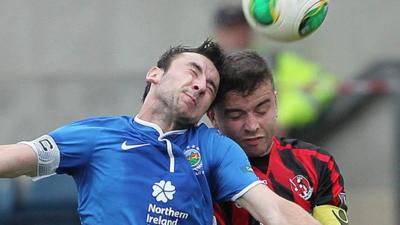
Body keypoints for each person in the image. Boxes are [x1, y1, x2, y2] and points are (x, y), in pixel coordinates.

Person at [0, 39, 321, 225]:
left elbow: (272, 209)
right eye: (193, 72)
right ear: (155, 74)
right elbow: (13, 157)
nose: (200, 85)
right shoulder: (96, 136)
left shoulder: (214, 148)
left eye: (210, 87)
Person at [207, 50, 348, 225]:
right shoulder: (204, 175)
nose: (252, 125)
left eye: (261, 110)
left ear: (276, 102)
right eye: (236, 115)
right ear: (213, 116)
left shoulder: (319, 163)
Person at [213, 5, 338, 137]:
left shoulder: (275, 62)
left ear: (250, 31)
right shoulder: (211, 76)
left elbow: (326, 85)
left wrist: (282, 118)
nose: (237, 36)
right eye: (230, 30)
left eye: (241, 28)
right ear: (219, 34)